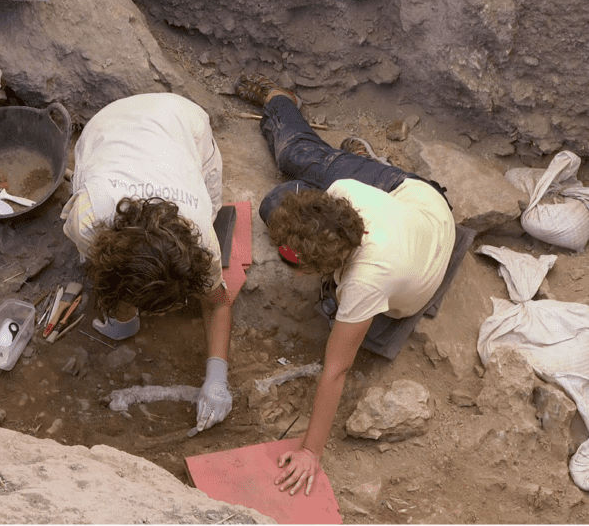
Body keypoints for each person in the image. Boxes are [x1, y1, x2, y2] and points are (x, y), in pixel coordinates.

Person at [234, 74, 456, 496]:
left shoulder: (365, 283)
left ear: (322, 268)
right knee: (294, 165)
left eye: (291, 262)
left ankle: (295, 111)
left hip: (422, 204)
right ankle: (290, 107)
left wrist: (310, 451)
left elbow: (335, 369)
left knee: (275, 200)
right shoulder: (346, 194)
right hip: (403, 201)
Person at [61, 93, 233, 433]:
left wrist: (217, 374)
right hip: (107, 125)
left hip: (181, 118)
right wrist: (123, 313)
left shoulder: (201, 238)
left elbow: (217, 303)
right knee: (96, 256)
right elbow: (107, 271)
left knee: (212, 206)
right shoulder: (88, 218)